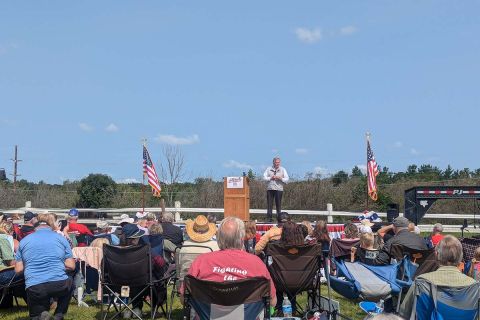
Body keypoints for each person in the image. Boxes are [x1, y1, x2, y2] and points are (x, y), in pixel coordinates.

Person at [183, 217, 277, 310]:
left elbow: (184, 298)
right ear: (242, 238)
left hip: (208, 315)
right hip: (247, 315)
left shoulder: (201, 261)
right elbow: (272, 302)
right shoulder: (257, 263)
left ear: (218, 237)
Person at [15, 213, 75, 320]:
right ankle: (59, 314)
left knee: (36, 316)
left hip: (35, 286)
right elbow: (71, 266)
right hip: (59, 284)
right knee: (71, 282)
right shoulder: (61, 238)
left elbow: (18, 269)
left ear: (35, 228)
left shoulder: (23, 242)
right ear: (50, 227)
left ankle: (40, 314)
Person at [399, 235, 476, 319]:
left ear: (436, 255)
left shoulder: (422, 282)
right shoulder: (474, 286)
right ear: (461, 257)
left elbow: (404, 313)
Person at [177, 215, 219, 288]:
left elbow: (181, 265)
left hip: (187, 284)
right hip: (208, 285)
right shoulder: (215, 246)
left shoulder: (185, 246)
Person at [263, 157, 289, 222]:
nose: (277, 163)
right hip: (270, 189)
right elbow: (264, 177)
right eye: (276, 162)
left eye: (278, 162)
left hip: (279, 189)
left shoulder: (283, 169)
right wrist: (270, 178)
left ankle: (279, 219)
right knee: (269, 204)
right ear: (273, 162)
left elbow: (287, 179)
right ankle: (269, 219)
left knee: (278, 205)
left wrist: (280, 178)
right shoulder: (268, 169)